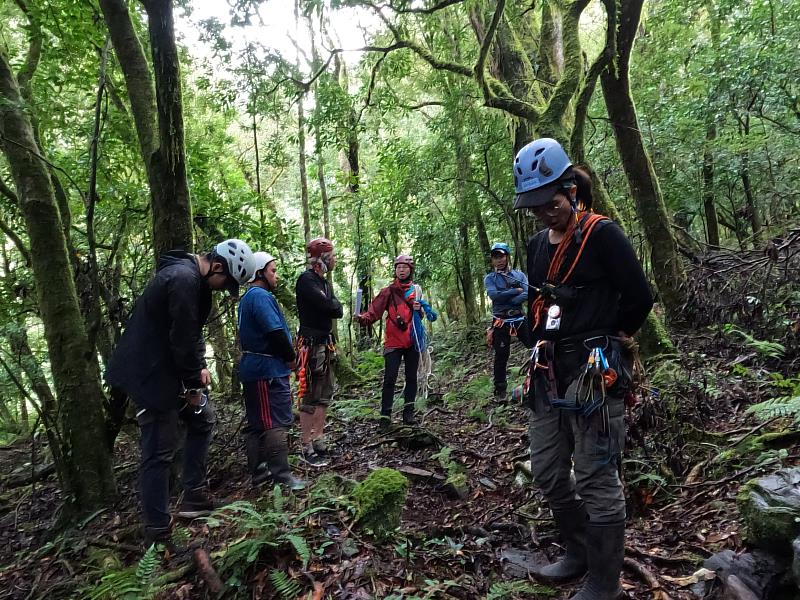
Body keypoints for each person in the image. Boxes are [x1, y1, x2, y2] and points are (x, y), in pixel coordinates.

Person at [513, 138, 653, 600]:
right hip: (549, 369)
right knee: (549, 470)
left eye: (550, 203)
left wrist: (618, 337)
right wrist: (530, 334)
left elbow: (639, 296)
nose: (544, 214)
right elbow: (538, 299)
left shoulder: (603, 235)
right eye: (535, 207)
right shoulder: (536, 246)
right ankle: (576, 553)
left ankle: (604, 582)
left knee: (595, 474)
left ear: (570, 189)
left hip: (594, 370)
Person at [106, 239, 256, 546]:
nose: (221, 288)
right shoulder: (183, 279)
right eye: (224, 281)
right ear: (217, 266)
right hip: (150, 376)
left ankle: (194, 495)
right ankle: (157, 533)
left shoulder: (190, 279)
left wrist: (198, 368)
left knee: (203, 419)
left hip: (166, 371)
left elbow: (190, 333)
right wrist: (191, 385)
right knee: (158, 452)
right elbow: (182, 338)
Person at [237, 251, 305, 490]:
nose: (276, 276)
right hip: (267, 371)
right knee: (274, 421)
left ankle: (260, 472)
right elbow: (274, 331)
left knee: (258, 422)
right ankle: (281, 475)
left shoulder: (249, 298)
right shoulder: (259, 296)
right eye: (273, 271)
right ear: (260, 272)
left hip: (258, 369)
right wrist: (290, 358)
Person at [356, 255, 437, 431]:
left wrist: (420, 310)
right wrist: (362, 319)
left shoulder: (416, 290)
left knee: (411, 378)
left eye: (405, 267)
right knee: (390, 379)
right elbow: (374, 312)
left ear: (410, 270)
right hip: (393, 342)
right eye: (398, 267)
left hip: (413, 340)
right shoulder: (388, 291)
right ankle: (385, 418)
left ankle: (409, 415)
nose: (401, 270)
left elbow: (421, 315)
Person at [295, 237, 343, 467]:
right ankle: (306, 444)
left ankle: (319, 438)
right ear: (321, 260)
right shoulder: (307, 280)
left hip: (326, 343)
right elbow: (329, 306)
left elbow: (338, 309)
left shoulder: (324, 283)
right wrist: (331, 303)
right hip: (312, 345)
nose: (334, 260)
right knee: (310, 393)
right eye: (331, 256)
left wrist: (331, 303)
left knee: (325, 392)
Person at [484, 242, 529, 401]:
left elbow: (527, 293)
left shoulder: (519, 275)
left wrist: (509, 297)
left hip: (519, 318)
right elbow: (494, 296)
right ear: (492, 260)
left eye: (502, 256)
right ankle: (500, 391)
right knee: (502, 355)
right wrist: (515, 291)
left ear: (507, 257)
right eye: (496, 257)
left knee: (535, 346)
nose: (499, 260)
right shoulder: (490, 278)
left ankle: (539, 381)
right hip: (501, 321)